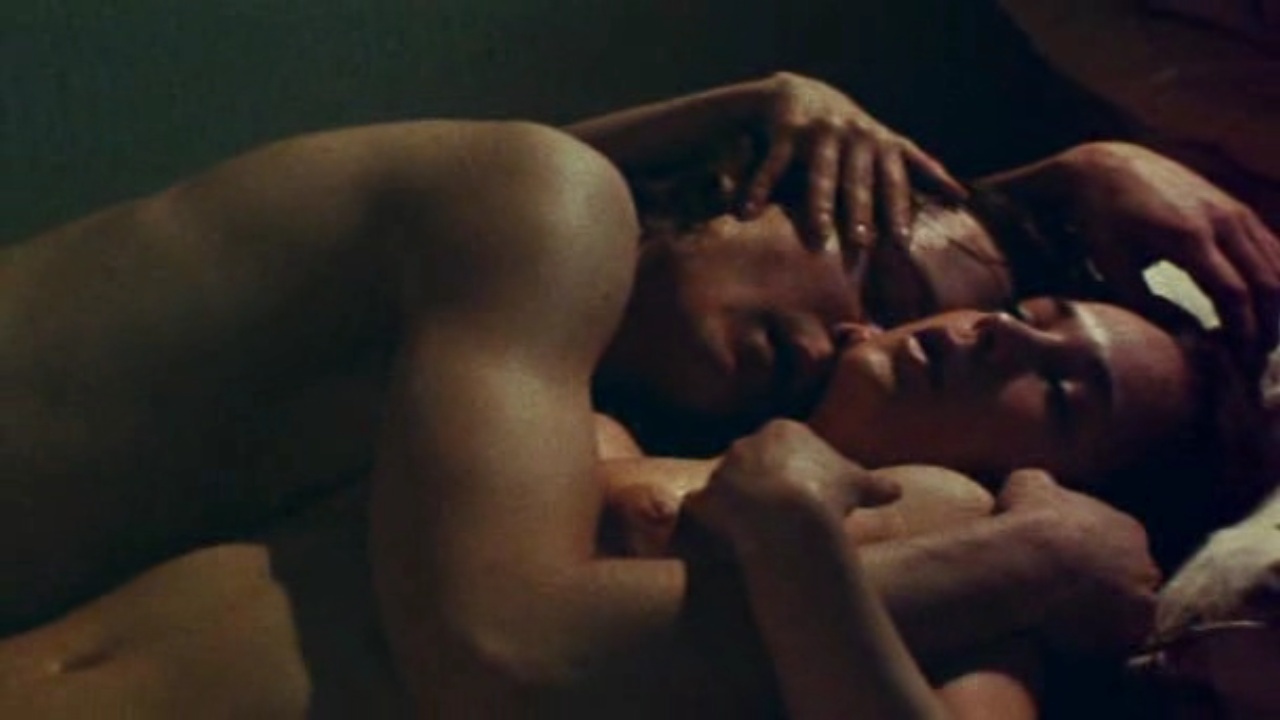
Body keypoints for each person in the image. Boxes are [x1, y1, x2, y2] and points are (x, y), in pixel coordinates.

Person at [1, 71, 1275, 717]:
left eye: (1063, 395)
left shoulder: (541, 416)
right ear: (757, 177)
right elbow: (502, 645)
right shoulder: (537, 230)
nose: (860, 335)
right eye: (878, 288)